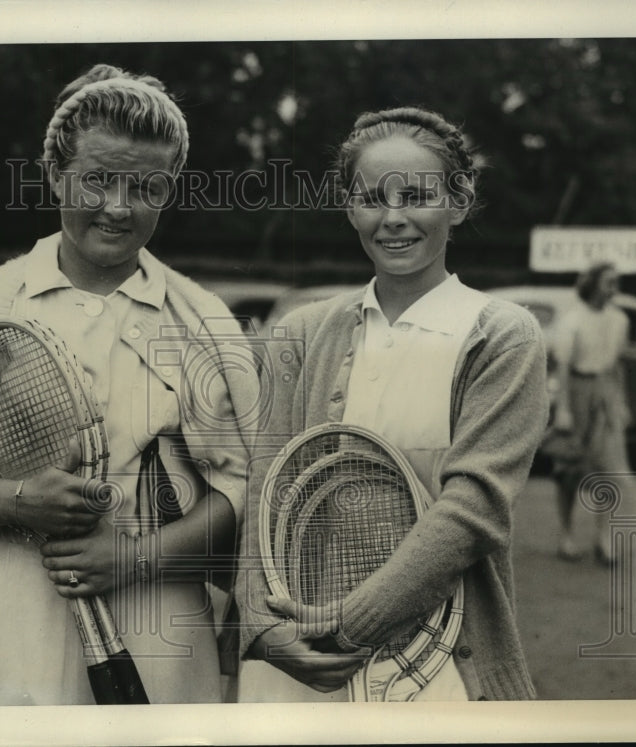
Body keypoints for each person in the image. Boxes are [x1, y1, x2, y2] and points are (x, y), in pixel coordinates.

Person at [0, 64, 257, 705]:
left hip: (157, 627)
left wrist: (131, 559)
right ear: (55, 174)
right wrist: (14, 501)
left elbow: (240, 492)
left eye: (147, 187)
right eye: (96, 180)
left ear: (170, 189)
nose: (119, 206)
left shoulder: (202, 320)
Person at [235, 106, 549, 701]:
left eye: (417, 196)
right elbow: (264, 488)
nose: (394, 218)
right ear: (349, 206)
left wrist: (352, 624)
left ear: (459, 202)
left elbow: (474, 508)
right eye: (372, 197)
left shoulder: (505, 334)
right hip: (295, 661)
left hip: (436, 666)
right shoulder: (300, 332)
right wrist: (263, 627)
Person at [550, 262, 631, 564]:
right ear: (593, 284)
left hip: (605, 395)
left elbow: (617, 365)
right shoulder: (573, 320)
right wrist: (564, 410)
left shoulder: (620, 319)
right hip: (577, 393)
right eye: (608, 281)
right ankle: (566, 534)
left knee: (609, 468)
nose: (614, 287)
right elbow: (563, 368)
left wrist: (621, 404)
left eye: (616, 281)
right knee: (569, 470)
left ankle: (604, 537)